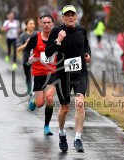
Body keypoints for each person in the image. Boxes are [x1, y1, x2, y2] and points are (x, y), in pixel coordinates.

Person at [45, 5, 91, 152]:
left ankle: (77, 138)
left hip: (80, 73)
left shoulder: (81, 30)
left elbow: (86, 45)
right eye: (67, 15)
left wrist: (87, 53)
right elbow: (48, 52)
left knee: (79, 103)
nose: (70, 17)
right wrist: (58, 40)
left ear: (76, 16)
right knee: (64, 109)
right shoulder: (56, 31)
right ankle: (62, 133)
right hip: (63, 74)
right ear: (63, 17)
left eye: (73, 15)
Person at [24, 14, 56, 136]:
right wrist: (30, 58)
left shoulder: (56, 38)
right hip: (38, 73)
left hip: (52, 73)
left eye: (49, 22)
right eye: (44, 22)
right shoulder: (35, 38)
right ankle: (33, 101)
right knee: (40, 103)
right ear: (41, 24)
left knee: (49, 98)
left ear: (52, 24)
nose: (47, 25)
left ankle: (46, 126)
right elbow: (27, 50)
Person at [17, 18, 37, 96]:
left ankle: (35, 91)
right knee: (28, 77)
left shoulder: (37, 34)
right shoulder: (23, 36)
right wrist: (26, 44)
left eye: (33, 23)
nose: (33, 25)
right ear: (26, 25)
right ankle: (29, 92)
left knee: (36, 76)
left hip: (36, 59)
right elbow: (18, 49)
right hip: (26, 59)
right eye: (30, 24)